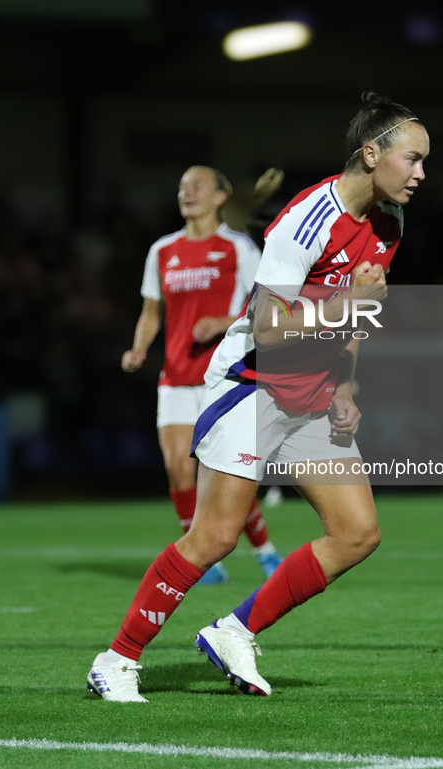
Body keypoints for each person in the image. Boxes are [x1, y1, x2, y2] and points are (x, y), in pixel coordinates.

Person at [87, 92, 429, 702]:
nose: (422, 174)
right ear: (371, 155)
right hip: (253, 385)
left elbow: (359, 313)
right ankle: (116, 660)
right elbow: (269, 326)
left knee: (356, 533)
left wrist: (346, 383)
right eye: (413, 159)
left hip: (312, 394)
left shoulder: (389, 222)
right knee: (214, 536)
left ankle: (234, 631)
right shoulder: (307, 219)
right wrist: (348, 303)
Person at [121, 165, 283, 585]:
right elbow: (150, 312)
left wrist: (222, 321)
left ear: (220, 197)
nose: (186, 192)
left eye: (197, 186)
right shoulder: (162, 250)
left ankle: (264, 550)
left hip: (223, 378)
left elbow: (267, 308)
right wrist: (139, 347)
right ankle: (199, 556)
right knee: (178, 468)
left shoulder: (239, 249)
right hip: (175, 377)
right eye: (181, 186)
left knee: (225, 475)